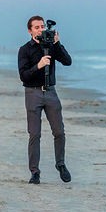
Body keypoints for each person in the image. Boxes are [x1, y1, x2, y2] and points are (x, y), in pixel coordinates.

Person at [17, 16, 73, 185]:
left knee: (59, 132)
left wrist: (57, 43)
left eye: (42, 26)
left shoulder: (51, 46)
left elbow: (68, 61)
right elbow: (23, 75)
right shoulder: (25, 50)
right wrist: (39, 66)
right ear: (30, 31)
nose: (40, 29)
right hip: (32, 93)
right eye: (36, 27)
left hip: (50, 92)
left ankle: (60, 164)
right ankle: (35, 172)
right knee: (34, 134)